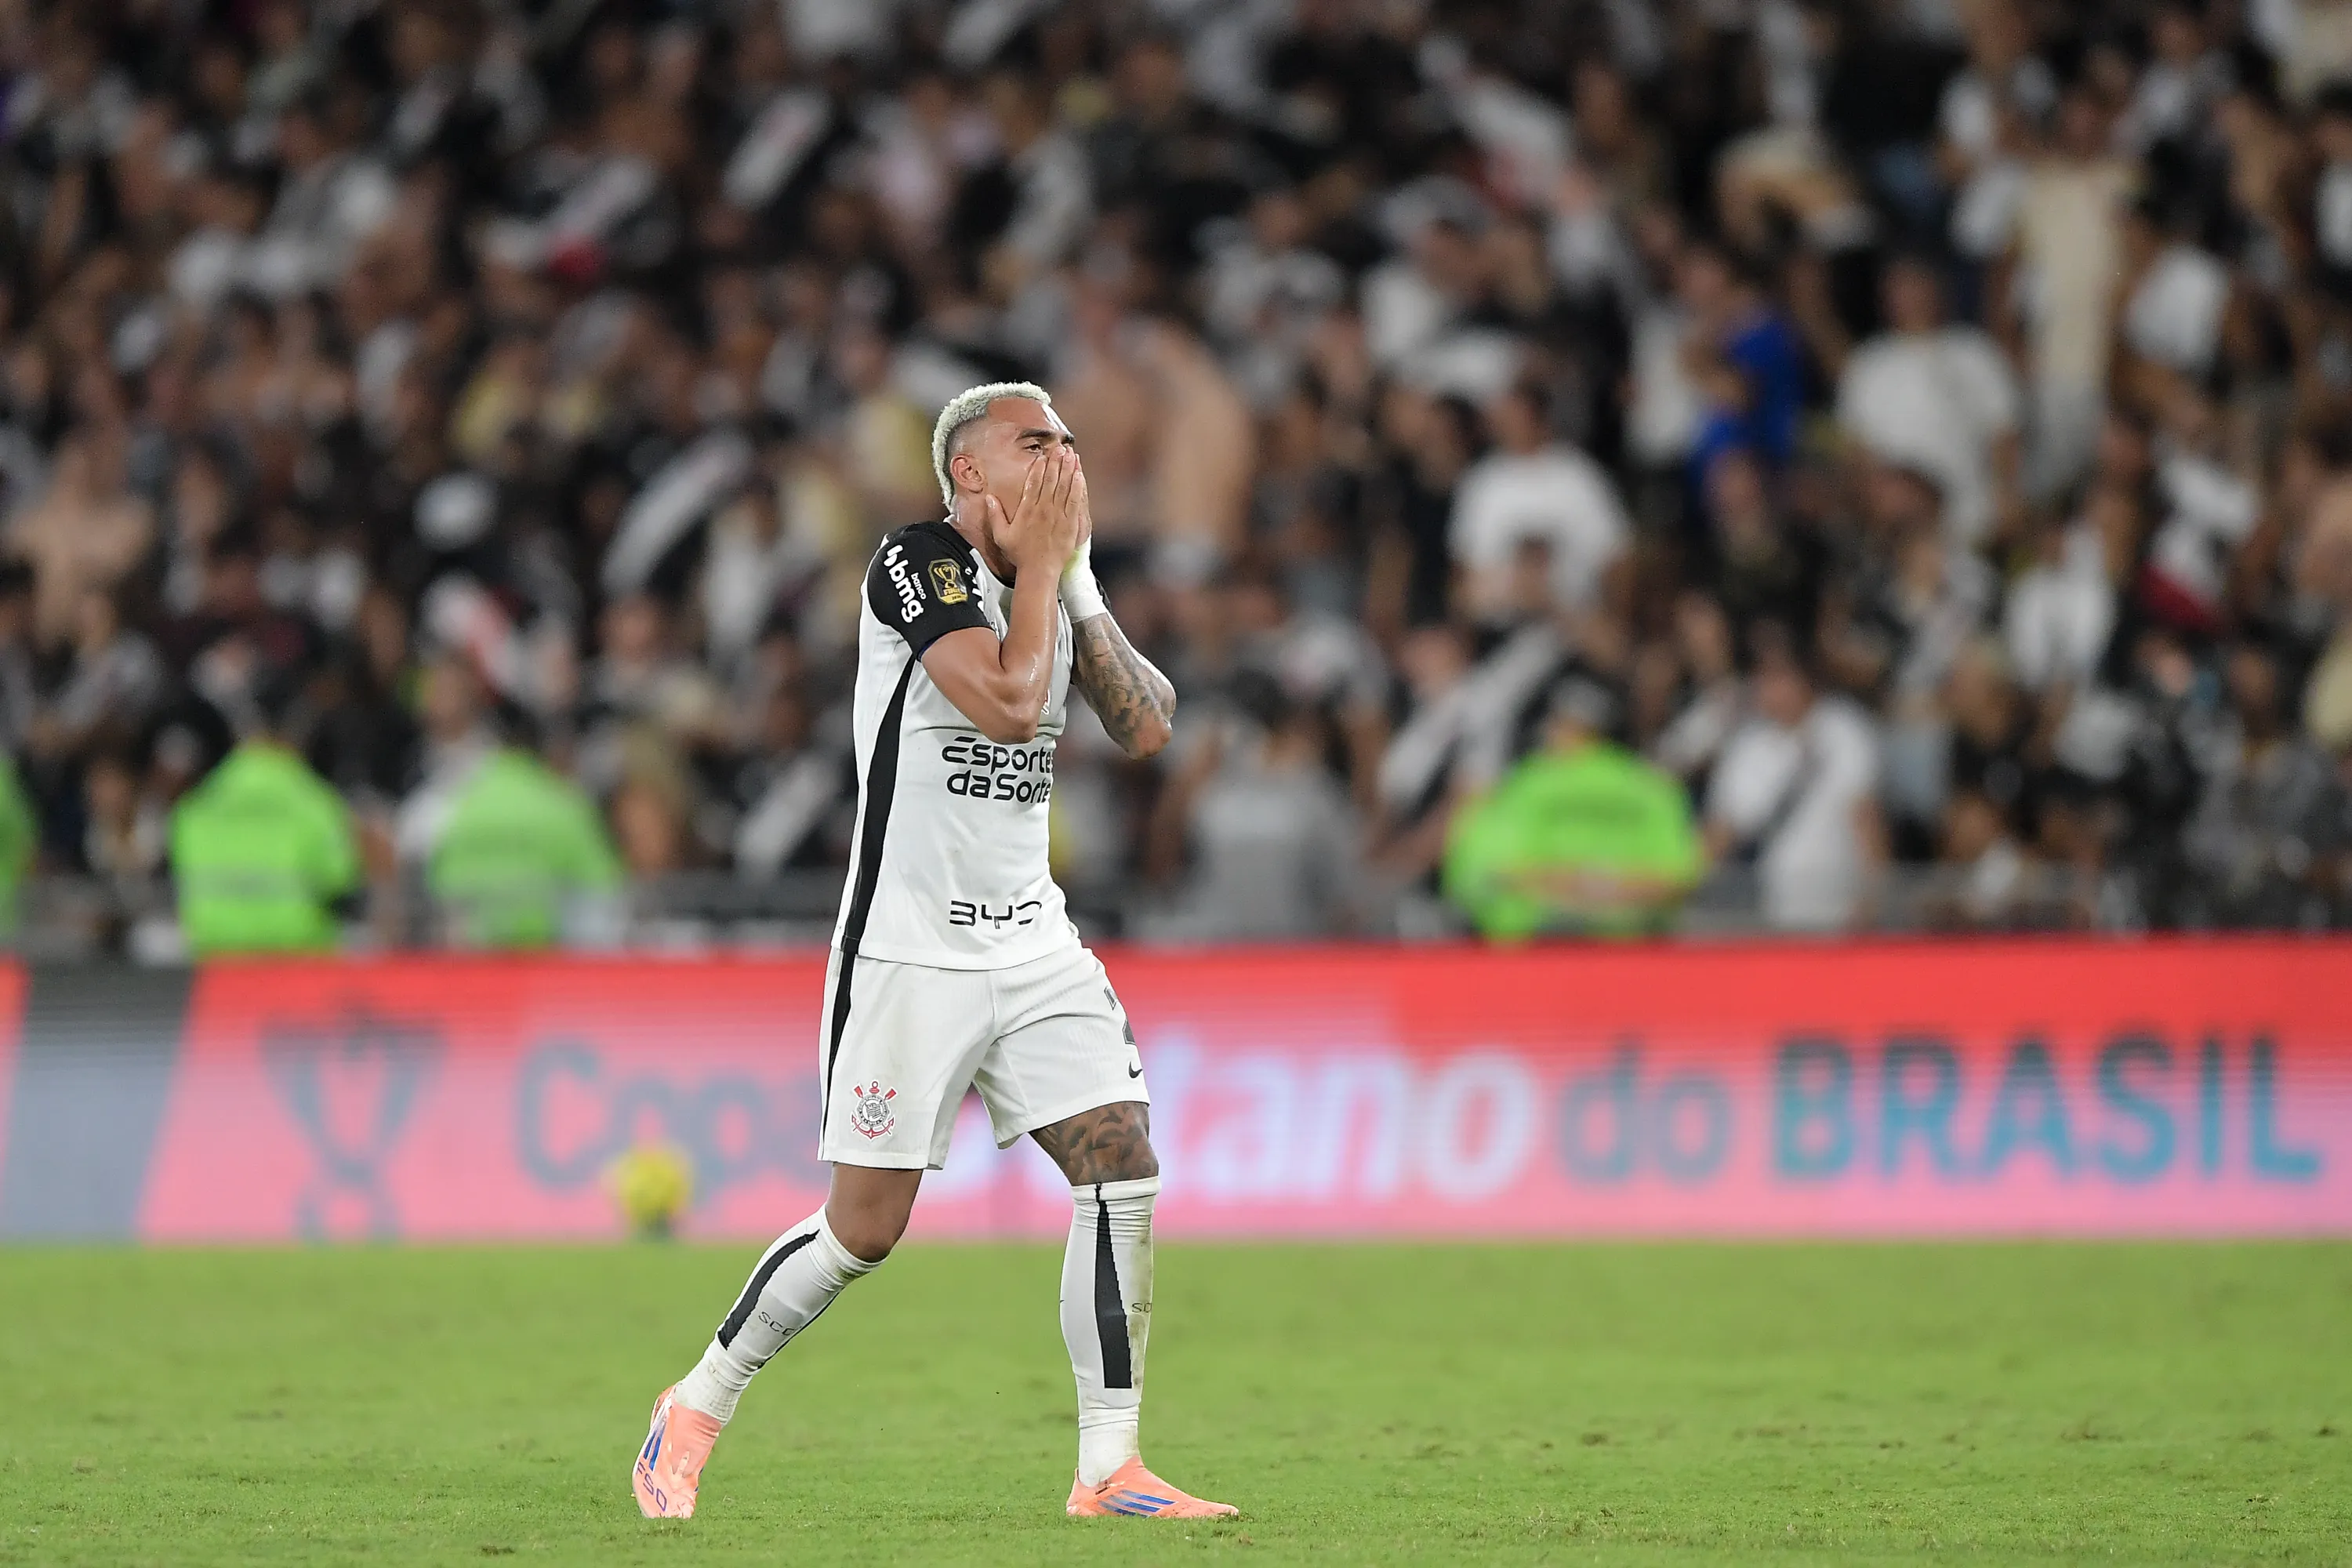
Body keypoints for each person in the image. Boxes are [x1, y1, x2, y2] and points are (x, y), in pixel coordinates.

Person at [631, 383, 1232, 1522]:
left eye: (1067, 440)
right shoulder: (918, 561)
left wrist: (1079, 577)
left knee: (1121, 1158)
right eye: (1035, 443)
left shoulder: (1062, 572)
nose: (1063, 459)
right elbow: (1009, 707)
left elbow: (1148, 727)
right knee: (865, 1230)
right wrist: (1048, 570)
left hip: (1032, 937)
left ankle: (1109, 1467)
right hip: (910, 950)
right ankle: (697, 1401)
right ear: (969, 473)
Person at [1443, 677, 1704, 940]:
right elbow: (1678, 878)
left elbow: (1486, 870)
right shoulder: (1653, 786)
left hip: (1537, 951)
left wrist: (1569, 890)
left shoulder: (1527, 783)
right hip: (1635, 949)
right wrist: (1607, 894)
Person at [168, 677, 360, 956]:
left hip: (215, 970)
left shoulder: (196, 807)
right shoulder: (318, 804)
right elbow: (343, 879)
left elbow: (182, 884)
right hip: (297, 965)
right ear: (297, 731)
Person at [426, 744, 624, 949]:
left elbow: (438, 889)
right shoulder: (565, 805)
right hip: (556, 958)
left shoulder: (459, 808)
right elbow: (602, 889)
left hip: (474, 960)